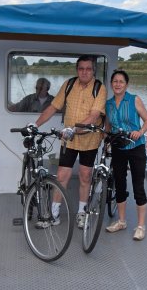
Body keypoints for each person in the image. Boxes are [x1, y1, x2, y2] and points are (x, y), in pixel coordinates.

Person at [34, 55, 107, 228]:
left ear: (93, 70)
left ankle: (81, 214)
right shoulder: (68, 85)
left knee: (85, 176)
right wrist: (35, 124)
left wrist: (74, 129)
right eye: (81, 68)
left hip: (89, 139)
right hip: (69, 140)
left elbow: (95, 115)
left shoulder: (99, 88)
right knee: (61, 176)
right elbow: (53, 107)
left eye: (88, 69)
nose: (84, 72)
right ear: (77, 70)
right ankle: (54, 214)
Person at [105, 70, 147, 240]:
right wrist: (106, 140)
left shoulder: (134, 100)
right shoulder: (108, 104)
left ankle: (140, 226)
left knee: (138, 185)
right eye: (115, 81)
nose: (117, 84)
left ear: (126, 84)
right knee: (119, 184)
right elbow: (109, 125)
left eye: (121, 81)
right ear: (111, 84)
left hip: (135, 147)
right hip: (118, 148)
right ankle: (122, 221)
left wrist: (139, 132)